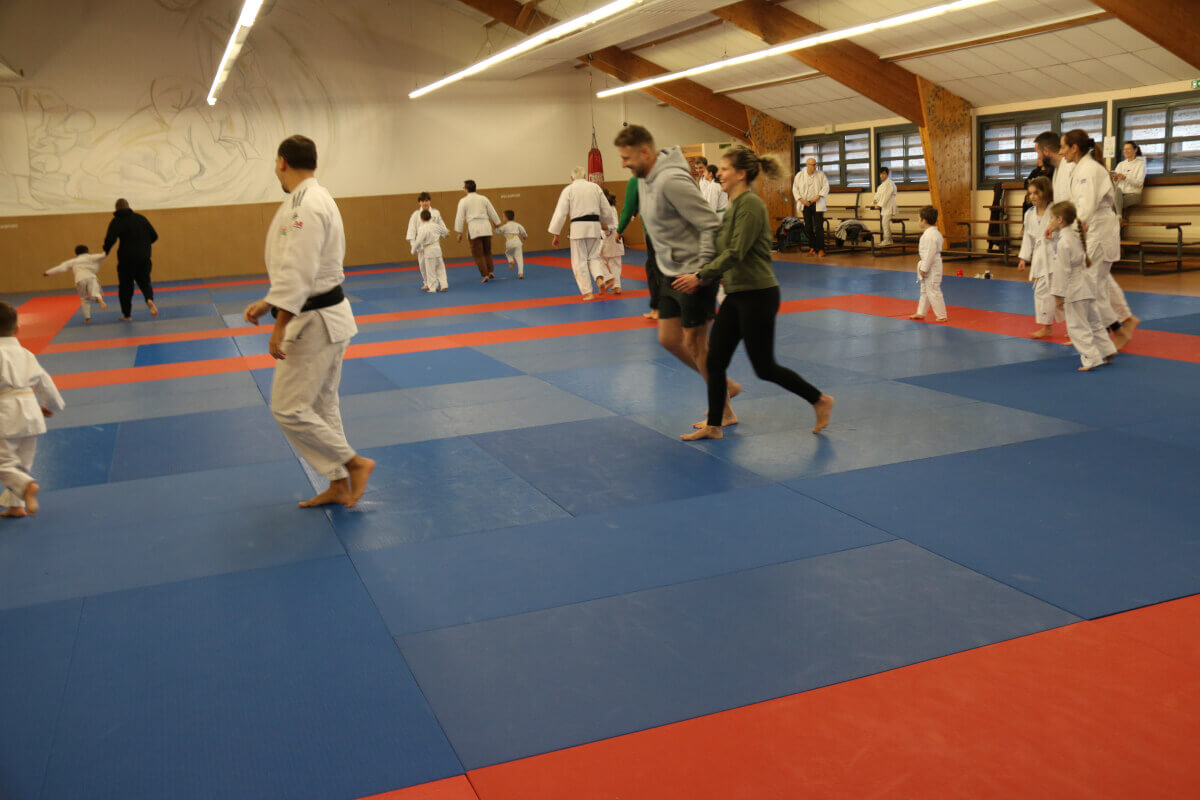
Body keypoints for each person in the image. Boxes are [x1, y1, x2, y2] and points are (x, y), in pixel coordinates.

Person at [242, 135, 374, 508]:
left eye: (274, 163)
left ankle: (353, 463)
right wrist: (269, 301)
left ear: (282, 162)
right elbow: (302, 266)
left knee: (287, 407)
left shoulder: (306, 204)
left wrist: (279, 322)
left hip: (314, 321)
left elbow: (300, 270)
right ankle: (338, 483)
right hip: (326, 316)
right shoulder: (315, 198)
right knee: (321, 405)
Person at [672, 147, 834, 441]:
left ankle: (819, 400)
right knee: (715, 361)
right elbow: (722, 248)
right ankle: (716, 424)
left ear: (741, 174)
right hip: (736, 295)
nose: (718, 173)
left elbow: (735, 252)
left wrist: (700, 276)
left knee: (764, 367)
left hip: (759, 295)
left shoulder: (750, 206)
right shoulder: (733, 206)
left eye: (724, 169)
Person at [614, 124, 739, 425]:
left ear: (645, 151)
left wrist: (703, 273)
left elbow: (711, 224)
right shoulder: (644, 179)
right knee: (670, 340)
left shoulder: (672, 180)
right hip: (667, 271)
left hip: (693, 275)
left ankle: (724, 409)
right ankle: (724, 385)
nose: (623, 164)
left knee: (697, 345)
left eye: (626, 157)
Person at [1061, 129, 1139, 348]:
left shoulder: (1089, 170)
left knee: (1091, 285)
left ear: (1074, 148)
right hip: (1096, 228)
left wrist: (1074, 225)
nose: (1061, 152)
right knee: (1097, 284)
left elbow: (1087, 205)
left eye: (1063, 147)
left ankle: (1114, 329)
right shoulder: (1082, 168)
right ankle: (1114, 327)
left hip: (1099, 230)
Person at [0, 301, 65, 518]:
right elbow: (45, 383)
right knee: (22, 461)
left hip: (6, 413)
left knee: (4, 464)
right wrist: (50, 406)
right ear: (17, 328)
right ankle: (16, 505)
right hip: (31, 412)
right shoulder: (27, 354)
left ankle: (27, 486)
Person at [1046, 201, 1116, 372]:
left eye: (1052, 219)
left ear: (1060, 219)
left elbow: (1062, 271)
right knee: (1094, 322)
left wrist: (1058, 296)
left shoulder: (1063, 242)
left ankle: (1091, 358)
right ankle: (1107, 350)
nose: (1050, 222)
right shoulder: (1074, 237)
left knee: (1077, 327)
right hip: (1087, 286)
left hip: (1074, 289)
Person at [549, 166, 617, 300]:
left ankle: (588, 292)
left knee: (579, 260)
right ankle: (600, 280)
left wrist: (555, 234)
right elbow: (606, 209)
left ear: (571, 178)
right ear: (585, 176)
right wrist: (607, 224)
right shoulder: (595, 188)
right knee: (594, 257)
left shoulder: (568, 189)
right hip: (594, 227)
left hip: (578, 228)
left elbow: (560, 213)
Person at [1017, 176, 1062, 340]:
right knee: (1043, 291)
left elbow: (1063, 232)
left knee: (1061, 294)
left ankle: (1074, 326)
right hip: (1040, 257)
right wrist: (1023, 258)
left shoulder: (1055, 210)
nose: (1033, 196)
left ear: (1046, 192)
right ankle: (1047, 327)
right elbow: (1027, 238)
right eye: (1030, 194)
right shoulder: (1029, 214)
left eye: (1036, 192)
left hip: (1057, 256)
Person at [103, 198, 158, 321]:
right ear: (128, 206)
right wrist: (144, 245)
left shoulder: (117, 221)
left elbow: (110, 239)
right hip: (144, 258)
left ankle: (127, 315)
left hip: (126, 260)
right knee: (145, 282)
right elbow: (154, 236)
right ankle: (149, 299)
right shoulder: (140, 218)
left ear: (116, 208)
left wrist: (105, 252)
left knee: (125, 288)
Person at [616, 174, 662, 320]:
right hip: (673, 231)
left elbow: (628, 207)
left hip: (654, 231)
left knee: (655, 270)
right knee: (659, 268)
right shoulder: (663, 177)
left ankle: (661, 309)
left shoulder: (637, 181)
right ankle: (659, 308)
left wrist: (619, 230)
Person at [44, 245, 108, 323]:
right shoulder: (91, 257)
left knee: (84, 298)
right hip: (91, 277)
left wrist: (48, 273)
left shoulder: (73, 261)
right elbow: (103, 255)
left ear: (76, 253)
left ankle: (87, 318)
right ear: (87, 251)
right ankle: (99, 299)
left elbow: (60, 268)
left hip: (79, 279)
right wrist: (107, 249)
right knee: (95, 292)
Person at [454, 180, 501, 283]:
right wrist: (497, 223)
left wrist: (459, 232)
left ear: (466, 190)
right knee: (487, 251)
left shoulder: (463, 201)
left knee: (478, 254)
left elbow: (460, 217)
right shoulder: (484, 198)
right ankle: (490, 271)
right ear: (476, 188)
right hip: (486, 227)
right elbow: (492, 212)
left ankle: (485, 274)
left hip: (474, 229)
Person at [909, 206, 946, 322]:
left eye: (919, 219)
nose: (918, 221)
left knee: (933, 290)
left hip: (932, 266)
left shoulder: (931, 236)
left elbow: (930, 254)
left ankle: (941, 315)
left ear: (924, 220)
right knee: (925, 290)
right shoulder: (932, 234)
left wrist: (924, 268)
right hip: (929, 264)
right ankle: (921, 312)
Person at [405, 192, 444, 291]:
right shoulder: (415, 215)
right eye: (423, 201)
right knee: (423, 265)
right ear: (419, 202)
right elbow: (412, 230)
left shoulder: (435, 213)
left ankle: (440, 284)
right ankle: (427, 282)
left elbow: (441, 225)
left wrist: (444, 233)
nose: (425, 203)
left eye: (427, 200)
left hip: (433, 243)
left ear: (430, 201)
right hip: (421, 244)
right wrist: (413, 244)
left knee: (437, 265)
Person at [792, 157, 829, 256]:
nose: (815, 167)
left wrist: (818, 196)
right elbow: (795, 189)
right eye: (813, 165)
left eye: (815, 164)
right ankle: (813, 246)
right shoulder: (799, 175)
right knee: (807, 227)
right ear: (807, 165)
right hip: (805, 204)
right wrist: (801, 199)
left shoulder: (820, 175)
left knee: (819, 227)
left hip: (817, 203)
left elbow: (826, 186)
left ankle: (820, 249)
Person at [411, 209, 449, 292]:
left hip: (429, 250)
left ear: (421, 219)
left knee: (430, 270)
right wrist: (445, 235)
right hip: (437, 248)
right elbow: (445, 231)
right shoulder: (436, 225)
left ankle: (433, 288)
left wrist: (413, 249)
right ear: (431, 217)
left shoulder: (422, 228)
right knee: (440, 268)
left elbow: (418, 241)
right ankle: (444, 285)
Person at [1111, 141, 1146, 218]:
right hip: (1120, 194)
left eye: (1128, 149)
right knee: (1116, 193)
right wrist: (1115, 179)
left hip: (1134, 194)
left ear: (1135, 150)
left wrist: (1125, 177)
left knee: (1113, 205)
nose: (1125, 151)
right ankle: (1119, 217)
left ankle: (1118, 220)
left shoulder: (1140, 164)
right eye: (1124, 149)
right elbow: (1116, 184)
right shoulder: (1121, 164)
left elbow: (1139, 183)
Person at [600, 190, 624, 294]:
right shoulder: (611, 207)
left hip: (611, 236)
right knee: (615, 263)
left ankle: (608, 278)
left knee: (596, 259)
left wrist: (606, 228)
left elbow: (612, 225)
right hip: (615, 236)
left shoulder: (606, 209)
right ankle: (617, 286)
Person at [496, 210, 528, 279]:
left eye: (503, 216)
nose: (503, 218)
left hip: (509, 242)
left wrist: (496, 227)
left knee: (508, 253)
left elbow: (497, 231)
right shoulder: (517, 224)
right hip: (517, 241)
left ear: (506, 218)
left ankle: (511, 261)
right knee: (519, 258)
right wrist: (524, 236)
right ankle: (520, 273)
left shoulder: (505, 227)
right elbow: (523, 231)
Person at [870, 166, 898, 246]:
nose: (882, 175)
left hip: (889, 205)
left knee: (885, 223)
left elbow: (886, 196)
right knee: (884, 223)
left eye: (884, 174)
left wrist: (879, 205)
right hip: (885, 206)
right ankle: (888, 239)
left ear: (887, 174)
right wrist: (874, 202)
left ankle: (888, 239)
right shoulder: (882, 185)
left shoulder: (889, 183)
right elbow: (878, 195)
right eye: (881, 174)